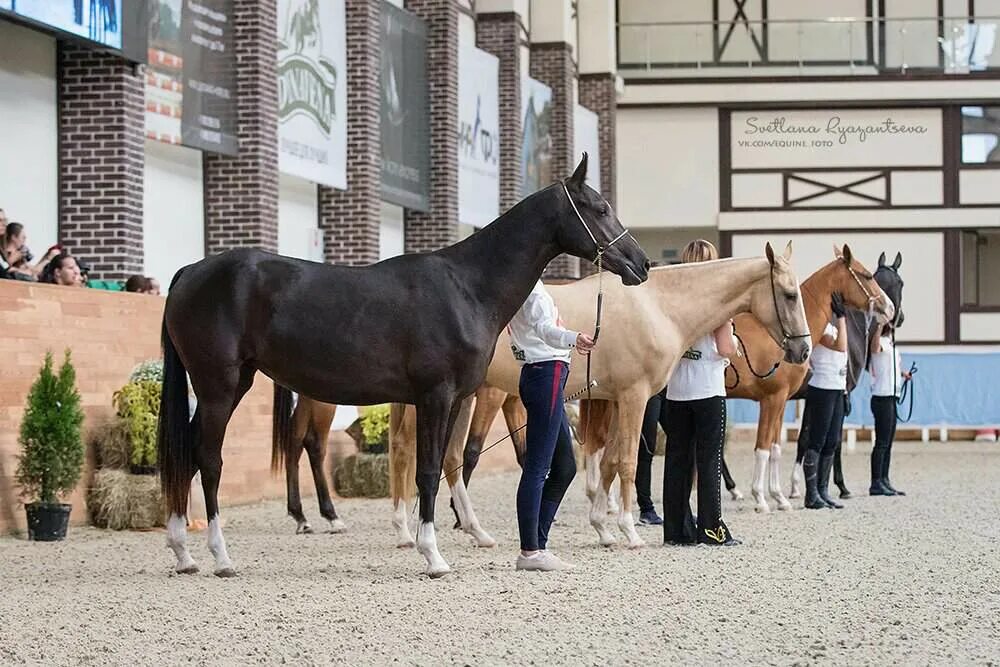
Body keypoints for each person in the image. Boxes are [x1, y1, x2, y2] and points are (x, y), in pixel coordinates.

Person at [510, 279, 595, 572]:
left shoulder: (527, 285)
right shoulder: (530, 289)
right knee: (538, 467)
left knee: (565, 467)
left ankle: (539, 544)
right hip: (545, 372)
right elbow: (545, 330)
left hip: (545, 375)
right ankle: (530, 552)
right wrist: (575, 338)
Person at [662, 239, 740, 546]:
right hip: (708, 389)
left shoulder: (672, 299)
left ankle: (676, 531)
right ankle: (712, 529)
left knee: (677, 461)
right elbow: (724, 348)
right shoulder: (717, 302)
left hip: (677, 391)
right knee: (709, 461)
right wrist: (731, 335)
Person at [803, 294, 849, 510]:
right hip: (822, 387)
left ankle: (823, 490)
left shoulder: (833, 328)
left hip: (837, 387)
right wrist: (842, 319)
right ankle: (811, 494)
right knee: (817, 441)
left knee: (832, 441)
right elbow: (841, 346)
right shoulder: (820, 330)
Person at [868, 322, 910, 496]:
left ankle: (885, 479)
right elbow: (875, 349)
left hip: (893, 395)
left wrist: (903, 374)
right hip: (882, 396)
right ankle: (876, 482)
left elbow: (891, 368)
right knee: (882, 442)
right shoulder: (880, 343)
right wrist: (878, 325)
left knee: (888, 442)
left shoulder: (891, 346)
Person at [635, 387, 667, 526]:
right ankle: (646, 508)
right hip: (651, 387)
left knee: (682, 442)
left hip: (671, 385)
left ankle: (681, 508)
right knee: (647, 447)